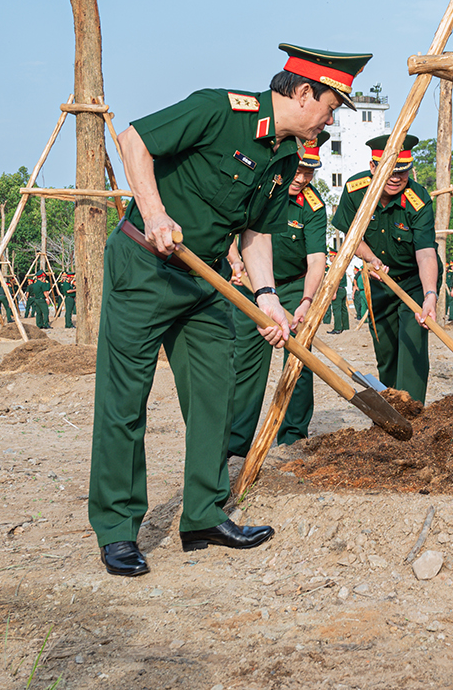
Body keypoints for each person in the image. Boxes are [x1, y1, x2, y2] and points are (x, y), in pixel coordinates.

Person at [89, 44, 370, 578]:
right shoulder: (221, 110)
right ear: (305, 92)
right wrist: (154, 212)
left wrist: (268, 301)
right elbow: (133, 139)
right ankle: (118, 529)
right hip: (145, 267)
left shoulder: (287, 156)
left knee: (216, 394)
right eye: (333, 105)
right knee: (125, 399)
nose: (332, 117)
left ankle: (202, 514)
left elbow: (257, 233)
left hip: (207, 279)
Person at [225, 132, 327, 456]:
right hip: (254, 283)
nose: (301, 178)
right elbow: (234, 226)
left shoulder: (313, 206)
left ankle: (293, 436)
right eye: (299, 169)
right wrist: (236, 261)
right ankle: (236, 443)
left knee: (299, 356)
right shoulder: (265, 188)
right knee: (246, 359)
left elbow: (316, 261)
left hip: (295, 286)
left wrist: (307, 302)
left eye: (309, 171)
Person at [332, 133, 439, 401]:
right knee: (386, 351)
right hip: (378, 283)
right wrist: (370, 259)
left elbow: (426, 252)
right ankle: (390, 407)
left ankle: (412, 412)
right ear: (373, 167)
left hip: (412, 282)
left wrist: (430, 295)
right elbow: (352, 237)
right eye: (388, 171)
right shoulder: (356, 191)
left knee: (413, 343)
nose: (395, 178)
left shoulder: (418, 198)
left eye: (402, 172)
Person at [326, 250, 350, 334]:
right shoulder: (341, 265)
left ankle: (337, 328)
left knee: (337, 310)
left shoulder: (335, 266)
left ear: (334, 256)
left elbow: (336, 281)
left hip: (337, 290)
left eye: (330, 256)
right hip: (343, 289)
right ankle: (346, 326)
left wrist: (334, 292)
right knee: (344, 309)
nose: (329, 258)